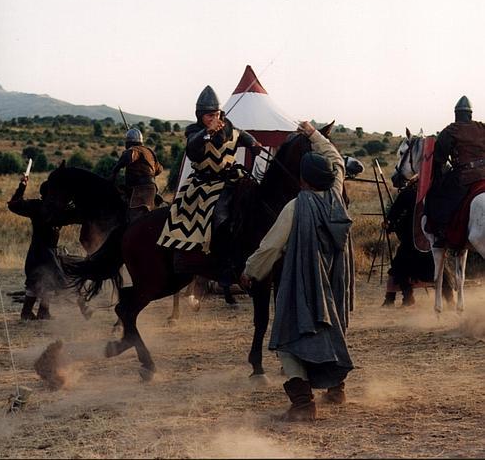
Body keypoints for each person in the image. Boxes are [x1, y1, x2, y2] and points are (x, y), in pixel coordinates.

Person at [240, 121, 354, 421]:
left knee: (289, 339)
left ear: (303, 179)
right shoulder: (337, 196)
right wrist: (315, 135)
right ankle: (336, 388)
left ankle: (303, 404)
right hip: (334, 281)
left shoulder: (296, 207)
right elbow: (337, 162)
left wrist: (250, 271)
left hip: (304, 282)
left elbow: (270, 247)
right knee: (332, 331)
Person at [157, 85, 261, 285]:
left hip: (232, 179)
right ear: (200, 116)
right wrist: (207, 132)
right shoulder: (194, 132)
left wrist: (254, 144)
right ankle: (219, 264)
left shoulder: (231, 128)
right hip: (205, 184)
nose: (214, 118)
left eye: (216, 114)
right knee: (219, 216)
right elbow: (193, 150)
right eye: (208, 115)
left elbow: (246, 137)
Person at [7, 175, 80, 320]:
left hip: (47, 250)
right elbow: (14, 205)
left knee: (46, 280)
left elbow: (76, 215)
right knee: (39, 280)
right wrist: (22, 186)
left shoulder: (56, 209)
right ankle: (27, 312)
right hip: (40, 250)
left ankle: (42, 312)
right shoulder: (38, 206)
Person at [381, 177, 454, 307]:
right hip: (417, 239)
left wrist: (390, 223)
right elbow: (394, 214)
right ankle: (403, 298)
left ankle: (404, 298)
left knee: (402, 266)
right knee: (401, 266)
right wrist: (389, 223)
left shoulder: (426, 193)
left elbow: (394, 215)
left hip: (423, 239)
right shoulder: (420, 193)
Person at [426, 96, 485, 247]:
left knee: (439, 197)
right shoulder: (482, 127)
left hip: (465, 176)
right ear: (470, 114)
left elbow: (439, 158)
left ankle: (441, 233)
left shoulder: (451, 130)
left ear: (456, 114)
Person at [110, 127, 163, 223]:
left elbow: (128, 157)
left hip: (140, 190)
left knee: (134, 220)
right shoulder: (149, 151)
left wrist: (115, 170)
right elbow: (159, 170)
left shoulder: (133, 150)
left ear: (128, 142)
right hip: (152, 188)